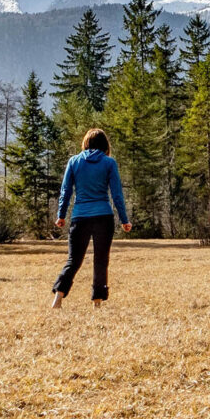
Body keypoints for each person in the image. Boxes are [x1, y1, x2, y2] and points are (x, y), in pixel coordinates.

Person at [51, 128, 132, 309]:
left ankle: (58, 298)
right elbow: (117, 194)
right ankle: (97, 303)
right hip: (103, 216)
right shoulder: (109, 163)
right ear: (105, 145)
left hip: (80, 216)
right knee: (101, 260)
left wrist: (61, 215)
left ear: (86, 143)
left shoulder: (74, 161)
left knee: (74, 260)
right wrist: (124, 219)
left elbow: (66, 191)